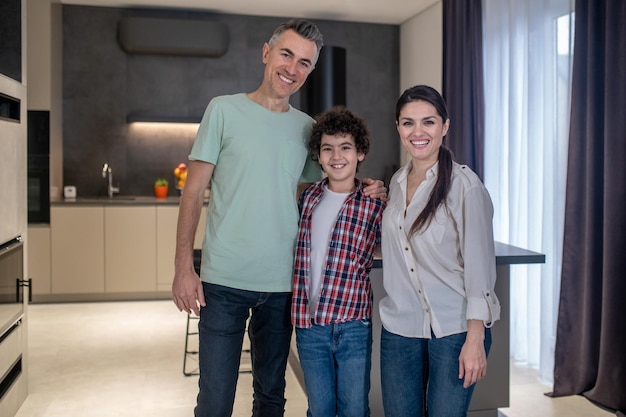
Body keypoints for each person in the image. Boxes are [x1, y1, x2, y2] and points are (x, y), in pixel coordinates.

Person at [171, 19, 385, 417]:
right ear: (266, 53)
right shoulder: (223, 109)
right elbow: (193, 191)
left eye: (304, 62)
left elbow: (328, 183)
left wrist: (372, 186)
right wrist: (184, 265)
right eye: (286, 54)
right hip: (222, 281)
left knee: (271, 397)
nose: (292, 68)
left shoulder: (306, 129)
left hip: (284, 285)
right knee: (214, 400)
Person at [379, 85, 501, 417]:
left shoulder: (465, 185)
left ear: (444, 127)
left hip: (455, 330)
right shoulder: (396, 183)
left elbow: (480, 269)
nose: (417, 132)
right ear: (398, 128)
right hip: (400, 330)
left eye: (428, 122)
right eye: (408, 123)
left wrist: (475, 339)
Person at [291, 107, 385, 417]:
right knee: (319, 409)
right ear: (318, 155)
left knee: (354, 408)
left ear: (360, 152)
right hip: (310, 325)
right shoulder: (307, 199)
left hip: (353, 324)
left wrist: (384, 191)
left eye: (346, 147)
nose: (336, 155)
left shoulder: (375, 202)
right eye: (327, 148)